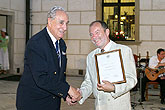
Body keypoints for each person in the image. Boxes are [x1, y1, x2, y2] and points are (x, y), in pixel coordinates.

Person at [16, 6, 81, 110]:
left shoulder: (61, 44)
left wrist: (65, 95)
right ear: (50, 21)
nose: (65, 28)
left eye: (66, 23)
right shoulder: (36, 43)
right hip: (34, 103)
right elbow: (42, 78)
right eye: (61, 22)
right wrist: (68, 89)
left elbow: (59, 75)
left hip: (52, 102)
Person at [77, 21, 137, 110]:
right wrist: (80, 94)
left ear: (107, 32)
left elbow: (131, 79)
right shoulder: (91, 57)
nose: (94, 37)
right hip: (99, 107)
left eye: (97, 32)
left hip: (118, 106)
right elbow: (89, 82)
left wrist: (114, 88)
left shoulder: (124, 51)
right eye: (91, 34)